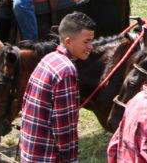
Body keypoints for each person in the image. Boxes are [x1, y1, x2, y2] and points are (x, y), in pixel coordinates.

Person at [19, 12, 95, 163]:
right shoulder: (66, 70)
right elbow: (64, 126)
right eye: (86, 42)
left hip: (29, 151)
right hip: (47, 156)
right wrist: (70, 159)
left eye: (91, 41)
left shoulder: (48, 59)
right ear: (69, 41)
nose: (90, 47)